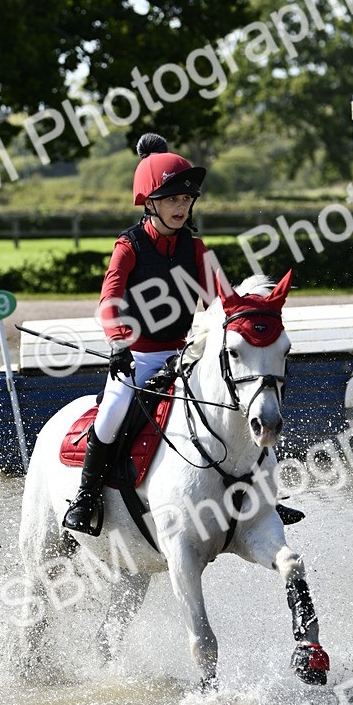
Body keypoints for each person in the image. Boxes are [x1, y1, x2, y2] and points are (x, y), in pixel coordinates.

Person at [63, 132, 213, 533]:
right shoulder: (128, 247)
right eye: (171, 200)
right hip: (137, 358)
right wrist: (117, 344)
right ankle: (86, 498)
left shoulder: (196, 250)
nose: (181, 207)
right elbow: (108, 301)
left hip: (182, 355)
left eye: (185, 200)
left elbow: (222, 303)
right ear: (150, 203)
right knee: (111, 417)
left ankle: (257, 493)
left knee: (233, 402)